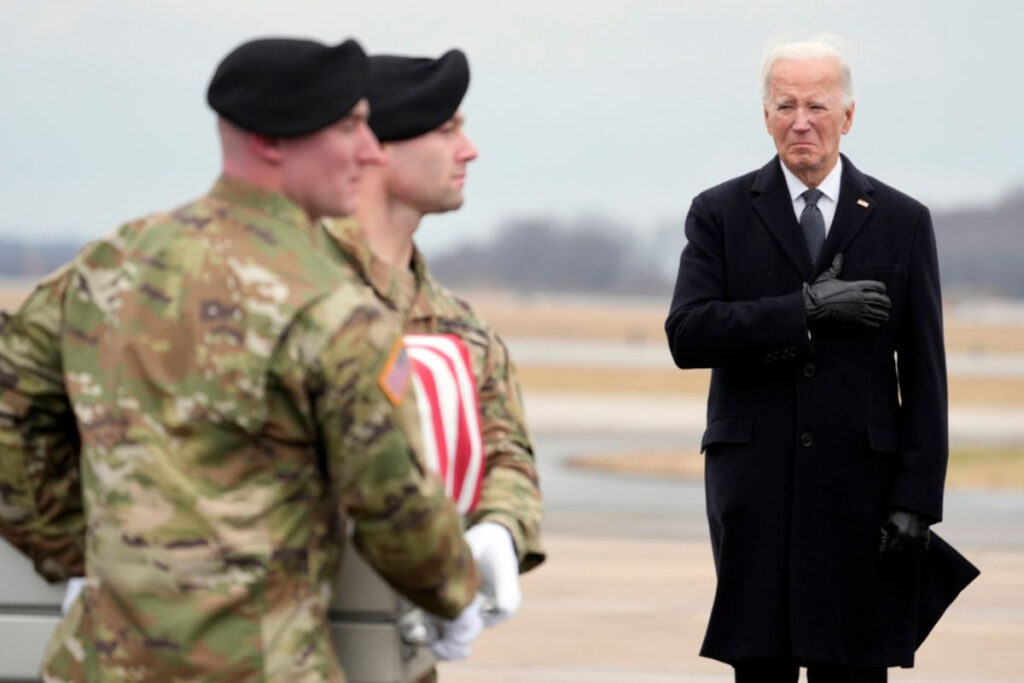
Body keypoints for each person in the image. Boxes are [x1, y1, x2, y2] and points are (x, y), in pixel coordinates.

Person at [0, 37, 481, 681]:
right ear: (273, 142)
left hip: (102, 661)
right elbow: (396, 507)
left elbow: (10, 410)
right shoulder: (335, 309)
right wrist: (454, 592)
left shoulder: (111, 265)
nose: (368, 152)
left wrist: (80, 550)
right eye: (348, 129)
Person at [664, 38, 979, 682]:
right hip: (755, 488)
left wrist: (918, 498)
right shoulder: (720, 214)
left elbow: (925, 375)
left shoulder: (902, 221)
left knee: (855, 668)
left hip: (860, 494)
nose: (800, 120)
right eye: (785, 105)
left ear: (848, 116)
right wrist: (803, 308)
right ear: (765, 115)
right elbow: (688, 334)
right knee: (761, 666)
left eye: (816, 105)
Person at [318, 49, 545, 672]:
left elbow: (507, 453)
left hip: (400, 650)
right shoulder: (289, 298)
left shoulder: (461, 330)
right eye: (446, 130)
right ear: (376, 147)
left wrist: (499, 528)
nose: (468, 151)